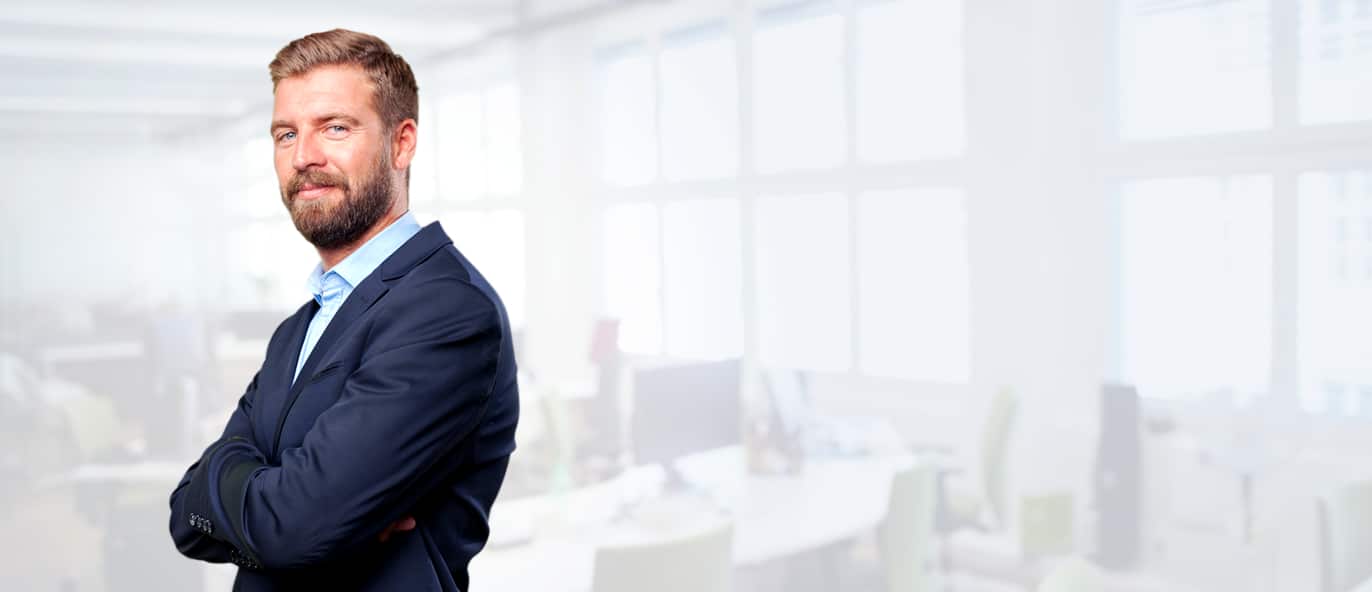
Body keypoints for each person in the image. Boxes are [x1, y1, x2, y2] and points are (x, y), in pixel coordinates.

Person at [167, 29, 519, 591]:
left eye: (335, 128)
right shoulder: (299, 329)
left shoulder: (447, 312)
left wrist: (248, 494)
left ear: (402, 143)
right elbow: (185, 514)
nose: (304, 156)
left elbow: (294, 531)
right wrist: (278, 510)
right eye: (286, 134)